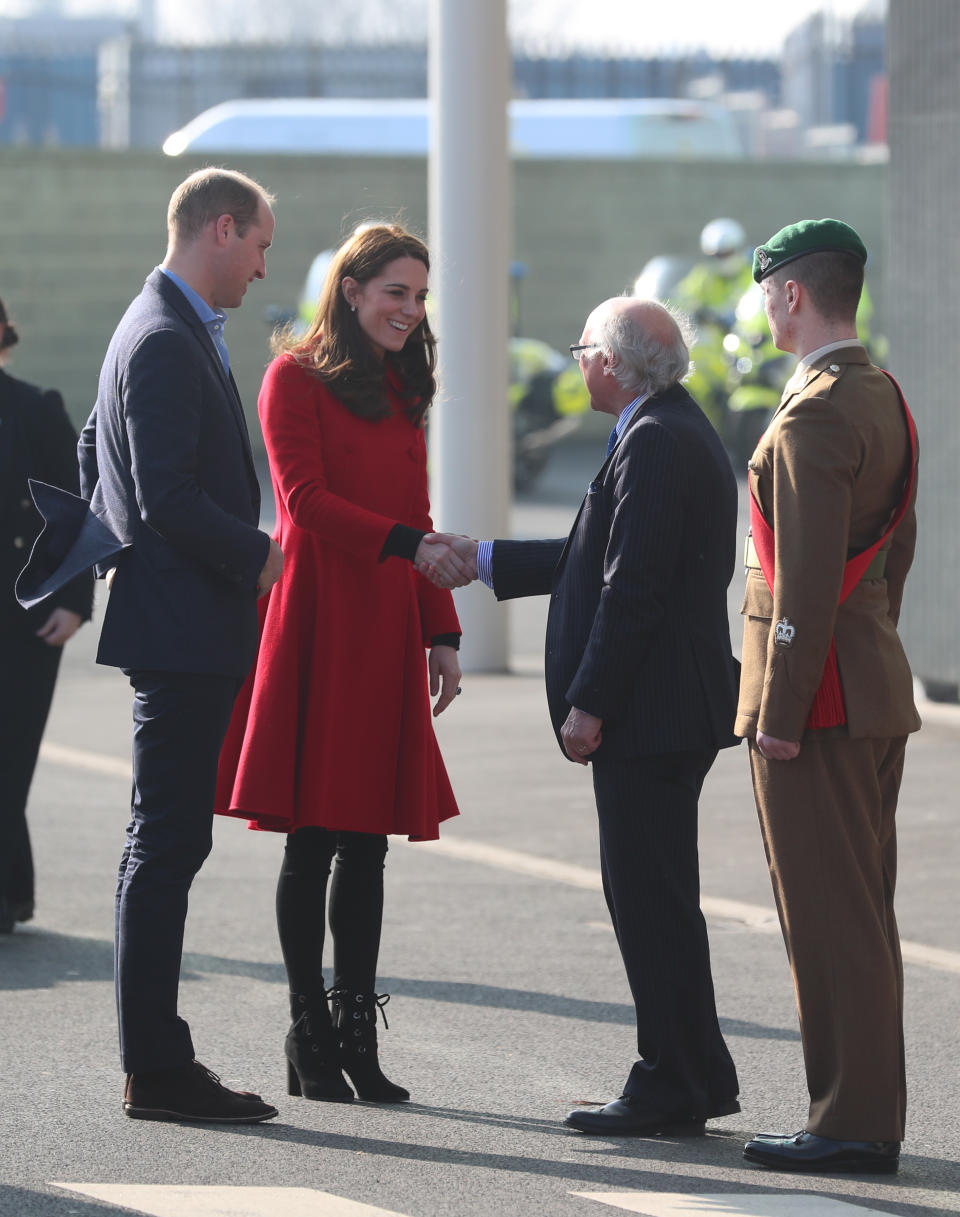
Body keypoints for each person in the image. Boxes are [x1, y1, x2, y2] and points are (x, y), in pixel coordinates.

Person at [420, 296, 741, 1136]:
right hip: (667, 711)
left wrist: (589, 702)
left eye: (582, 347)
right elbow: (587, 558)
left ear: (612, 361)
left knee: (649, 901)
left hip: (650, 715)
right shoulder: (660, 427)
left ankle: (672, 1080)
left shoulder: (657, 440)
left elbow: (631, 586)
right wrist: (480, 557)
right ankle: (695, 1070)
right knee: (660, 897)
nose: (576, 361)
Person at [215, 223, 469, 1106]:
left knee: (368, 844)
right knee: (314, 836)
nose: (410, 309)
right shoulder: (292, 376)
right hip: (319, 618)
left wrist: (443, 631)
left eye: (420, 295)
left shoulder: (402, 388)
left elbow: (417, 507)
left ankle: (355, 1031)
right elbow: (304, 504)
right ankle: (307, 1029)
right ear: (352, 290)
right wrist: (415, 550)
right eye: (396, 291)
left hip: (388, 620)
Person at [75, 168, 284, 1123]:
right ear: (222, 228)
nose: (261, 266)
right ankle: (156, 1068)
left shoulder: (147, 322)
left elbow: (91, 449)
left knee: (161, 843)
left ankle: (154, 1060)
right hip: (184, 625)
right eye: (260, 246)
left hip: (173, 617)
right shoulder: (164, 335)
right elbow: (164, 494)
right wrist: (259, 554)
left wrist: (118, 555)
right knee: (164, 846)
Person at [736, 219, 919, 1175]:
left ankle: (849, 1121)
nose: (763, 307)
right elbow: (895, 553)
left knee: (829, 913)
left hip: (821, 700)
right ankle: (862, 1111)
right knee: (862, 908)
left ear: (793, 294)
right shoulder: (880, 393)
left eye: (767, 291)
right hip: (871, 683)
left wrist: (780, 710)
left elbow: (803, 582)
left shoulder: (811, 411)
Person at [0, 297, 93, 934]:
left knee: (9, 762)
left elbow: (75, 511)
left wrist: (75, 599)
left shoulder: (36, 408)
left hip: (25, 618)